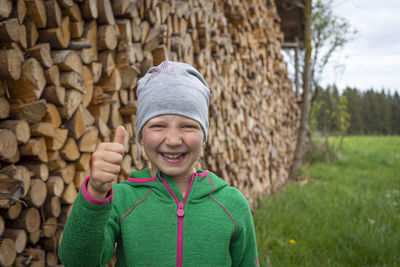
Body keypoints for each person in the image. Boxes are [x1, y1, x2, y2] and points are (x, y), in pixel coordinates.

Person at [58, 61, 259, 267]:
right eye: (158, 126)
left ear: (204, 135)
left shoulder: (232, 204)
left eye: (188, 125)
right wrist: (96, 191)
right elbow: (77, 261)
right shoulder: (122, 201)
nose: (173, 140)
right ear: (141, 136)